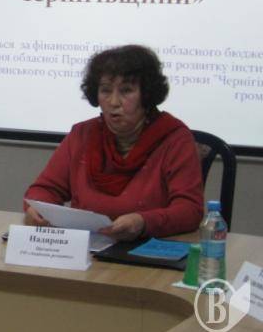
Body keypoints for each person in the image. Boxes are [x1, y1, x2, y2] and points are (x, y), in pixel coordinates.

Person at [24, 44, 204, 240]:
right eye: (105, 91)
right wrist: (36, 208)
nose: (113, 102)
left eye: (126, 91)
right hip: (85, 247)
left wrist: (143, 222)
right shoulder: (82, 134)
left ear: (146, 95)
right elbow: (43, 189)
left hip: (147, 246)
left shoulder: (175, 138)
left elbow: (189, 210)